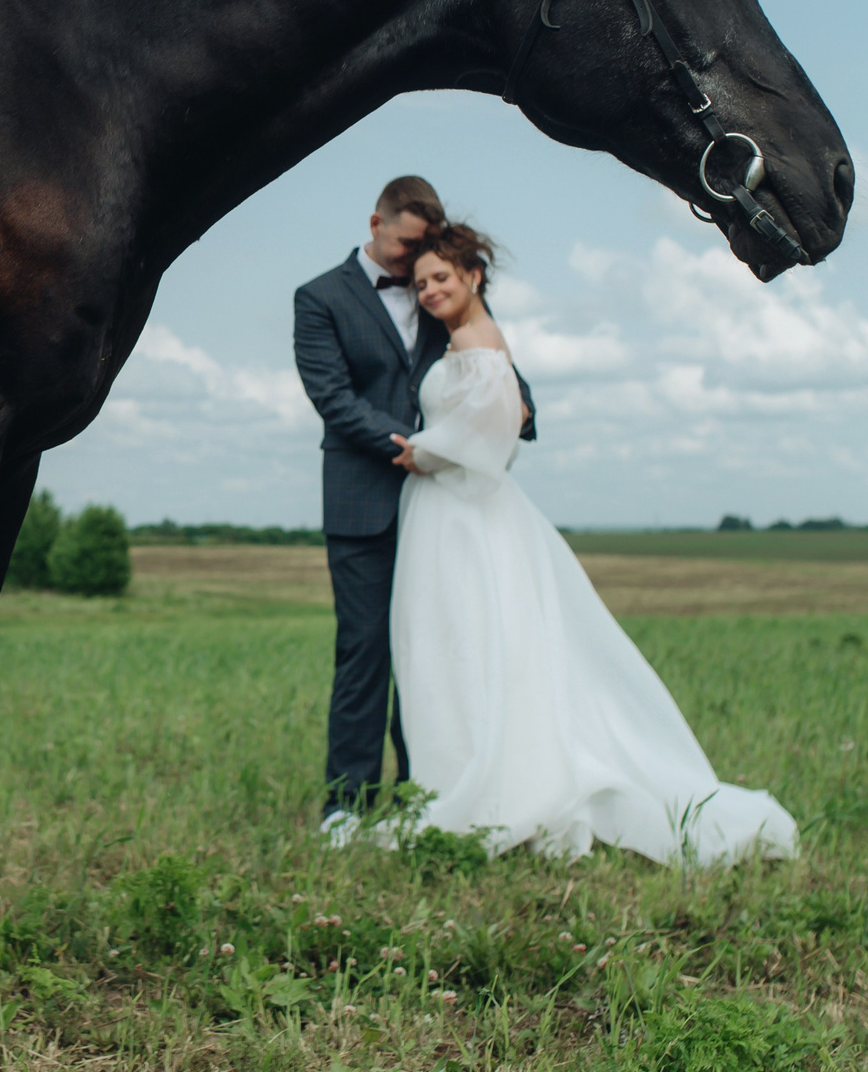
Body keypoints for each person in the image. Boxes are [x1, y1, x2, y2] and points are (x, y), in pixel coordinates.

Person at [384, 221, 797, 865]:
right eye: (421, 284)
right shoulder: (466, 337)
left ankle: (492, 788)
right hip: (449, 514)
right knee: (455, 649)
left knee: (474, 645)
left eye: (441, 278)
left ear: (473, 276)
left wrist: (425, 451)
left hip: (466, 513)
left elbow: (493, 433)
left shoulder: (479, 341)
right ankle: (462, 775)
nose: (431, 291)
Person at [293, 178, 533, 843]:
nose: (416, 270)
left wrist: (520, 407)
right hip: (364, 500)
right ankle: (346, 801)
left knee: (432, 652)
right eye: (405, 247)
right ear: (375, 222)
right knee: (364, 650)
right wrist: (411, 446)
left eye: (425, 254)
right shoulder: (319, 298)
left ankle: (421, 791)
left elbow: (484, 349)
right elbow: (333, 397)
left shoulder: (437, 289)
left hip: (446, 508)